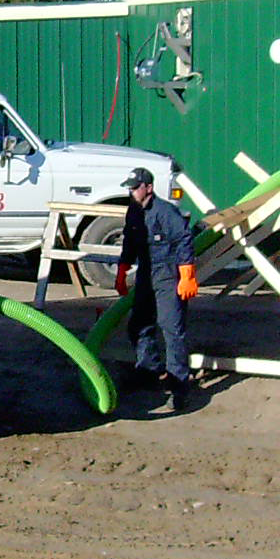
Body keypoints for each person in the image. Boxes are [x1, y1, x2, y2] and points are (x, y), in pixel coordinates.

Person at [114, 166, 200, 409]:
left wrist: (187, 274)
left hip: (167, 274)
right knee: (139, 324)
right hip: (146, 272)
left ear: (148, 188)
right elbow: (130, 240)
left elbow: (184, 239)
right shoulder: (133, 211)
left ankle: (179, 386)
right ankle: (149, 371)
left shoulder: (165, 212)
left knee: (171, 328)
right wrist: (123, 269)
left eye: (135, 187)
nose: (131, 192)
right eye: (129, 188)